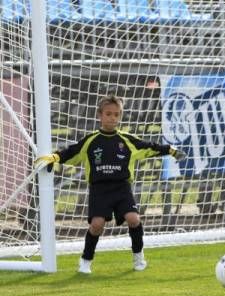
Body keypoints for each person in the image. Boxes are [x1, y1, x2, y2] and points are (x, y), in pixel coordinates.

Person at [34, 95, 185, 274]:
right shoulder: (91, 141)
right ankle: (86, 260)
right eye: (108, 114)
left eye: (116, 114)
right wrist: (56, 157)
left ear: (120, 116)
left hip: (122, 188)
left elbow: (149, 146)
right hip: (99, 189)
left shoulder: (127, 140)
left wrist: (169, 150)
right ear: (100, 115)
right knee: (97, 225)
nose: (112, 118)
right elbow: (72, 151)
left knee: (134, 219)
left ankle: (138, 257)